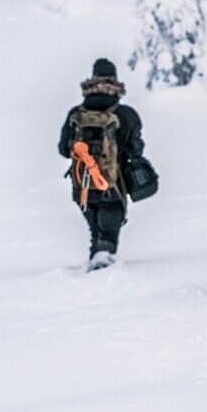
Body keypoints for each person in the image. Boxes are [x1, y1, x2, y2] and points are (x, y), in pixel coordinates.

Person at [58, 58, 145, 270]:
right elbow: (136, 149)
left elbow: (63, 149)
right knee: (108, 234)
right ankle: (103, 270)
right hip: (114, 185)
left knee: (95, 233)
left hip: (82, 186)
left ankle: (94, 269)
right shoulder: (126, 114)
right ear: (115, 80)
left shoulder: (76, 114)